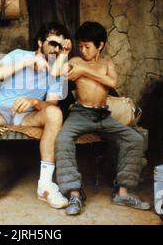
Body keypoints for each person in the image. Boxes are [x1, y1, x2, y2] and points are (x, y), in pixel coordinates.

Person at [51, 21, 150, 215]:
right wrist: (64, 54)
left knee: (135, 139)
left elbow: (112, 82)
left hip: (103, 115)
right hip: (80, 113)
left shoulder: (107, 64)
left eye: (87, 46)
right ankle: (74, 194)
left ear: (100, 46)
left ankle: (123, 192)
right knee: (63, 139)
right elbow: (55, 73)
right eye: (80, 46)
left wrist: (86, 72)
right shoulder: (76, 62)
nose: (83, 50)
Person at [0, 22, 72, 209]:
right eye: (52, 43)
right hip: (2, 111)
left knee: (54, 113)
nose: (56, 49)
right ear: (40, 42)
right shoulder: (19, 55)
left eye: (60, 46)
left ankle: (45, 185)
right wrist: (27, 62)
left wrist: (34, 102)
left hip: (28, 116)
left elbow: (51, 104)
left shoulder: (56, 70)